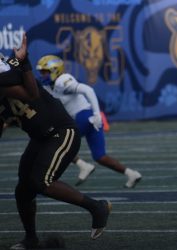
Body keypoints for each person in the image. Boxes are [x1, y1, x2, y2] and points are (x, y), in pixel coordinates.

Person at [0, 33, 111, 249]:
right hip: (40, 137)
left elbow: (31, 94)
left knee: (42, 182)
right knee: (23, 190)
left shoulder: (10, 74)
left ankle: (97, 207)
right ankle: (30, 239)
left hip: (61, 131)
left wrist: (24, 63)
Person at [36, 55, 142, 188]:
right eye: (41, 72)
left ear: (55, 70)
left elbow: (88, 90)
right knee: (100, 157)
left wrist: (97, 113)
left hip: (85, 117)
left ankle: (82, 165)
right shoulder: (48, 87)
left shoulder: (62, 81)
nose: (42, 75)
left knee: (57, 142)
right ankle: (131, 173)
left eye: (45, 72)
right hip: (89, 119)